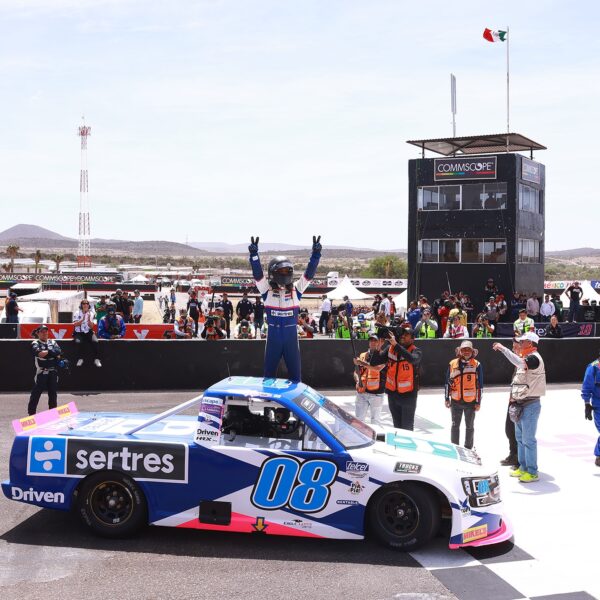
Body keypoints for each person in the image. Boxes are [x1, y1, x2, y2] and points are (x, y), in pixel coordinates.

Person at [248, 235, 321, 382]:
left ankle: (293, 405)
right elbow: (258, 276)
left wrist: (316, 255)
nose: (285, 274)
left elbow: (309, 274)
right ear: (273, 273)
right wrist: (254, 256)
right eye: (281, 271)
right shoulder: (266, 290)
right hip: (273, 337)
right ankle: (268, 404)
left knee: (295, 377)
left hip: (291, 338)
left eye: (287, 271)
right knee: (268, 376)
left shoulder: (296, 290)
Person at [493, 332, 546, 483]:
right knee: (520, 438)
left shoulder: (534, 358)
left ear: (530, 343)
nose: (520, 343)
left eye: (522, 341)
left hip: (530, 404)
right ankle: (523, 468)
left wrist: (504, 349)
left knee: (528, 440)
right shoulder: (527, 357)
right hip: (520, 403)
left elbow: (519, 363)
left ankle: (532, 471)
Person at [445, 340, 483, 449]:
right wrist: (446, 398)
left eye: (468, 349)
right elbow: (447, 382)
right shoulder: (452, 364)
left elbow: (480, 386)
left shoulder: (477, 365)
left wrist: (478, 402)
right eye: (464, 349)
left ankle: (468, 448)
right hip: (455, 401)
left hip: (470, 402)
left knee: (469, 426)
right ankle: (454, 447)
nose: (466, 352)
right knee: (455, 425)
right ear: (460, 351)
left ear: (472, 352)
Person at [384, 327, 422, 430]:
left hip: (408, 396)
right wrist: (378, 347)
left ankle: (408, 446)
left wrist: (396, 345)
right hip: (392, 394)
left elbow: (412, 360)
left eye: (407, 334)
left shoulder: (416, 351)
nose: (403, 336)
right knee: (396, 426)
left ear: (412, 339)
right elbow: (375, 362)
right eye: (402, 334)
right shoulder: (391, 348)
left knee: (407, 427)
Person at [353, 334, 388, 426]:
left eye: (375, 341)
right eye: (371, 340)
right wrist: (357, 380)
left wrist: (361, 363)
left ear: (380, 342)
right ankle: (359, 439)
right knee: (359, 420)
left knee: (375, 421)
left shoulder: (384, 355)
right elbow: (356, 372)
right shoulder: (363, 355)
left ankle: (375, 439)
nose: (372, 342)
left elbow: (377, 368)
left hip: (377, 394)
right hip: (362, 392)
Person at [28, 325, 63, 415]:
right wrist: (51, 352)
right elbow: (39, 354)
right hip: (42, 372)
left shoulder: (53, 341)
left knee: (53, 394)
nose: (45, 333)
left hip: (53, 372)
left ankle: (53, 413)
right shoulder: (35, 343)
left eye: (46, 331)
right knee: (36, 394)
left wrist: (48, 353)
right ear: (38, 333)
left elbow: (59, 353)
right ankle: (31, 414)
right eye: (42, 332)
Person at [500, 338, 521, 468]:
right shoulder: (517, 362)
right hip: (513, 400)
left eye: (515, 347)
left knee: (517, 431)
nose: (513, 349)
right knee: (509, 429)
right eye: (512, 347)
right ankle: (513, 454)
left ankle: (519, 458)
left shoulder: (525, 361)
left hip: (521, 402)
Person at [581, 353, 600, 467]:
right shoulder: (593, 367)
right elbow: (586, 386)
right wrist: (587, 404)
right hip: (598, 405)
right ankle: (598, 455)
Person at [72, 299, 102, 367]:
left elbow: (91, 326)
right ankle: (80, 358)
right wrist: (82, 319)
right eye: (83, 304)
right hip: (78, 332)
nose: (85, 305)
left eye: (87, 304)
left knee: (95, 341)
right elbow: (75, 324)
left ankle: (96, 359)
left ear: (88, 305)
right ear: (81, 305)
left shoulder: (92, 313)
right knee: (78, 342)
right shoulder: (77, 313)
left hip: (88, 331)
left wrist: (88, 319)